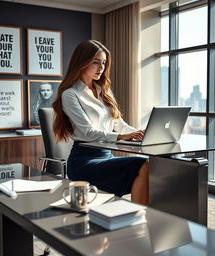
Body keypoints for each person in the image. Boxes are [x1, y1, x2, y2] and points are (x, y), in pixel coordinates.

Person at [52, 40, 148, 205]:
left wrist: (138, 133)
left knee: (148, 169)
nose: (101, 68)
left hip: (107, 155)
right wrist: (122, 137)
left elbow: (119, 124)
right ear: (81, 62)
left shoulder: (103, 90)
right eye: (96, 62)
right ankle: (141, 216)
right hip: (84, 161)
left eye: (103, 63)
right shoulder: (70, 94)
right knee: (143, 165)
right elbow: (88, 132)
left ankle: (140, 215)